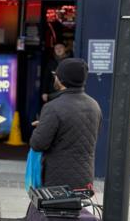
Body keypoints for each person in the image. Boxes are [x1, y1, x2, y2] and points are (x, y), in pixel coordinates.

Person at [30, 58, 102, 190]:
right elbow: (82, 131)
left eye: (56, 75)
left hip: (57, 182)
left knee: (48, 211)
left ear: (62, 79)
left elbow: (38, 144)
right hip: (85, 180)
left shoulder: (53, 107)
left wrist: (41, 127)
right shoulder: (94, 105)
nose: (55, 78)